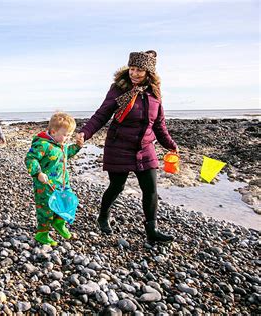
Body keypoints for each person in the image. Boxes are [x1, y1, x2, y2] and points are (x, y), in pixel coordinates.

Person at [76, 50, 178, 244]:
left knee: (151, 189)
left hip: (145, 147)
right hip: (118, 145)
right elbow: (102, 114)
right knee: (117, 186)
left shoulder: (154, 93)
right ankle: (103, 215)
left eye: (139, 70)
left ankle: (152, 230)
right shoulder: (119, 88)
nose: (134, 73)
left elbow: (159, 124)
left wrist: (170, 145)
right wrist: (85, 133)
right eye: (132, 68)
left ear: (148, 72)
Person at [25, 112, 83, 246]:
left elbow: (68, 153)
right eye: (65, 135)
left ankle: (59, 222)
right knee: (45, 208)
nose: (67, 138)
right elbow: (30, 158)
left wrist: (78, 146)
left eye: (69, 135)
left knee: (66, 202)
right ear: (53, 131)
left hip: (62, 183)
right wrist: (38, 173)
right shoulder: (43, 145)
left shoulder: (61, 145)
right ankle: (42, 233)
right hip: (45, 185)